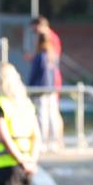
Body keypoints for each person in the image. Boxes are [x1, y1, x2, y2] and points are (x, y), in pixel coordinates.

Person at [30, 15, 64, 150]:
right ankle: (55, 142)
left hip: (47, 83)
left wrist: (32, 85)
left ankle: (51, 141)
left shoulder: (49, 40)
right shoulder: (48, 51)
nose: (35, 33)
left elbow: (42, 68)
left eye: (35, 29)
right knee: (52, 112)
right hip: (51, 82)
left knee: (47, 113)